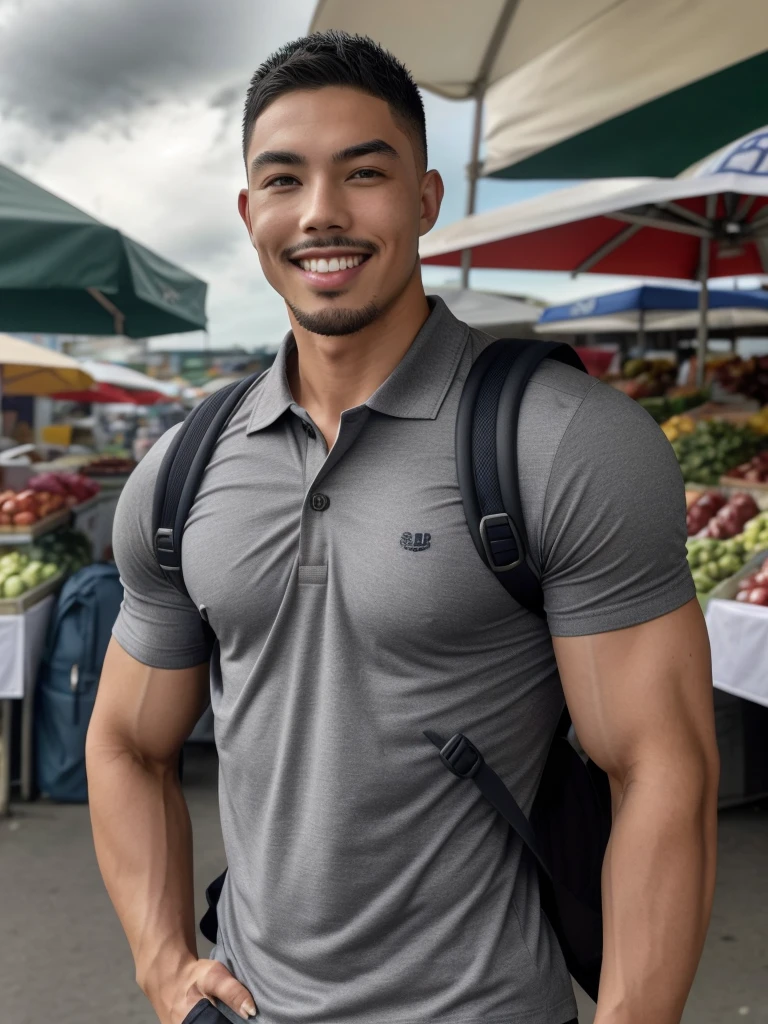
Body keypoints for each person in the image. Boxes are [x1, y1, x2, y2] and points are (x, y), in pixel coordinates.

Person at [86, 30, 719, 1024]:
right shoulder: (180, 470)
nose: (322, 213)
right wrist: (163, 965)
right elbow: (126, 742)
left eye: (364, 173)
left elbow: (664, 767)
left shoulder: (566, 444)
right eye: (284, 180)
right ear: (250, 214)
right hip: (249, 1004)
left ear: (424, 199)